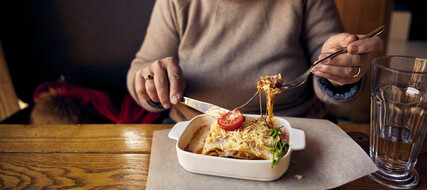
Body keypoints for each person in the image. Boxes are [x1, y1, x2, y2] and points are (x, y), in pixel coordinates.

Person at [127, 0, 384, 123]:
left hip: (297, 127)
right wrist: (151, 82)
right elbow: (142, 67)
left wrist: (339, 70)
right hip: (194, 127)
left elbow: (326, 67)